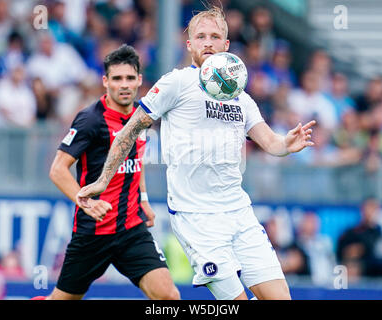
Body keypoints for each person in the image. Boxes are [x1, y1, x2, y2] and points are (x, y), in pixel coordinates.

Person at [77, 7, 315, 300]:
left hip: (239, 212)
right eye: (200, 36)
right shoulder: (176, 83)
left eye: (215, 37)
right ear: (189, 44)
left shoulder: (241, 96)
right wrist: (103, 180)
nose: (208, 43)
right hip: (196, 218)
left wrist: (286, 145)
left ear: (226, 46)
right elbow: (130, 131)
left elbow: (270, 141)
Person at [33, 45, 179, 300]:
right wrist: (86, 202)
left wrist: (143, 199)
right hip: (93, 232)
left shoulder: (141, 116)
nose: (124, 85)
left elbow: (136, 158)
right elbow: (57, 170)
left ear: (139, 80)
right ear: (105, 81)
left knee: (169, 296)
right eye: (117, 78)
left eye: (130, 78)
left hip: (131, 229)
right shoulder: (90, 119)